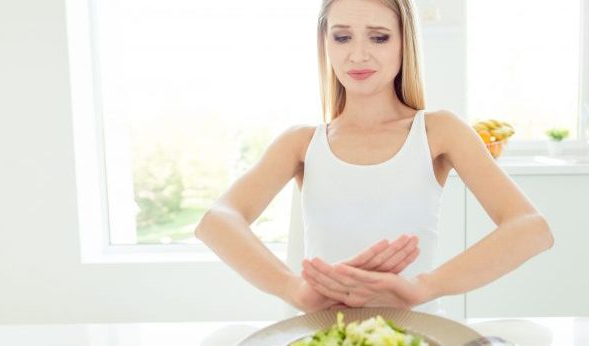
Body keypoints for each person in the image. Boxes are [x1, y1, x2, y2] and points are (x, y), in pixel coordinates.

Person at [194, 0, 554, 316]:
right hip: (326, 333)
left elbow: (530, 228)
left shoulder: (437, 131)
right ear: (326, 44)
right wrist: (294, 289)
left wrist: (422, 288)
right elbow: (218, 221)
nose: (358, 55)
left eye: (378, 37)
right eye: (342, 37)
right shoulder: (301, 143)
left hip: (416, 331)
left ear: (404, 42)